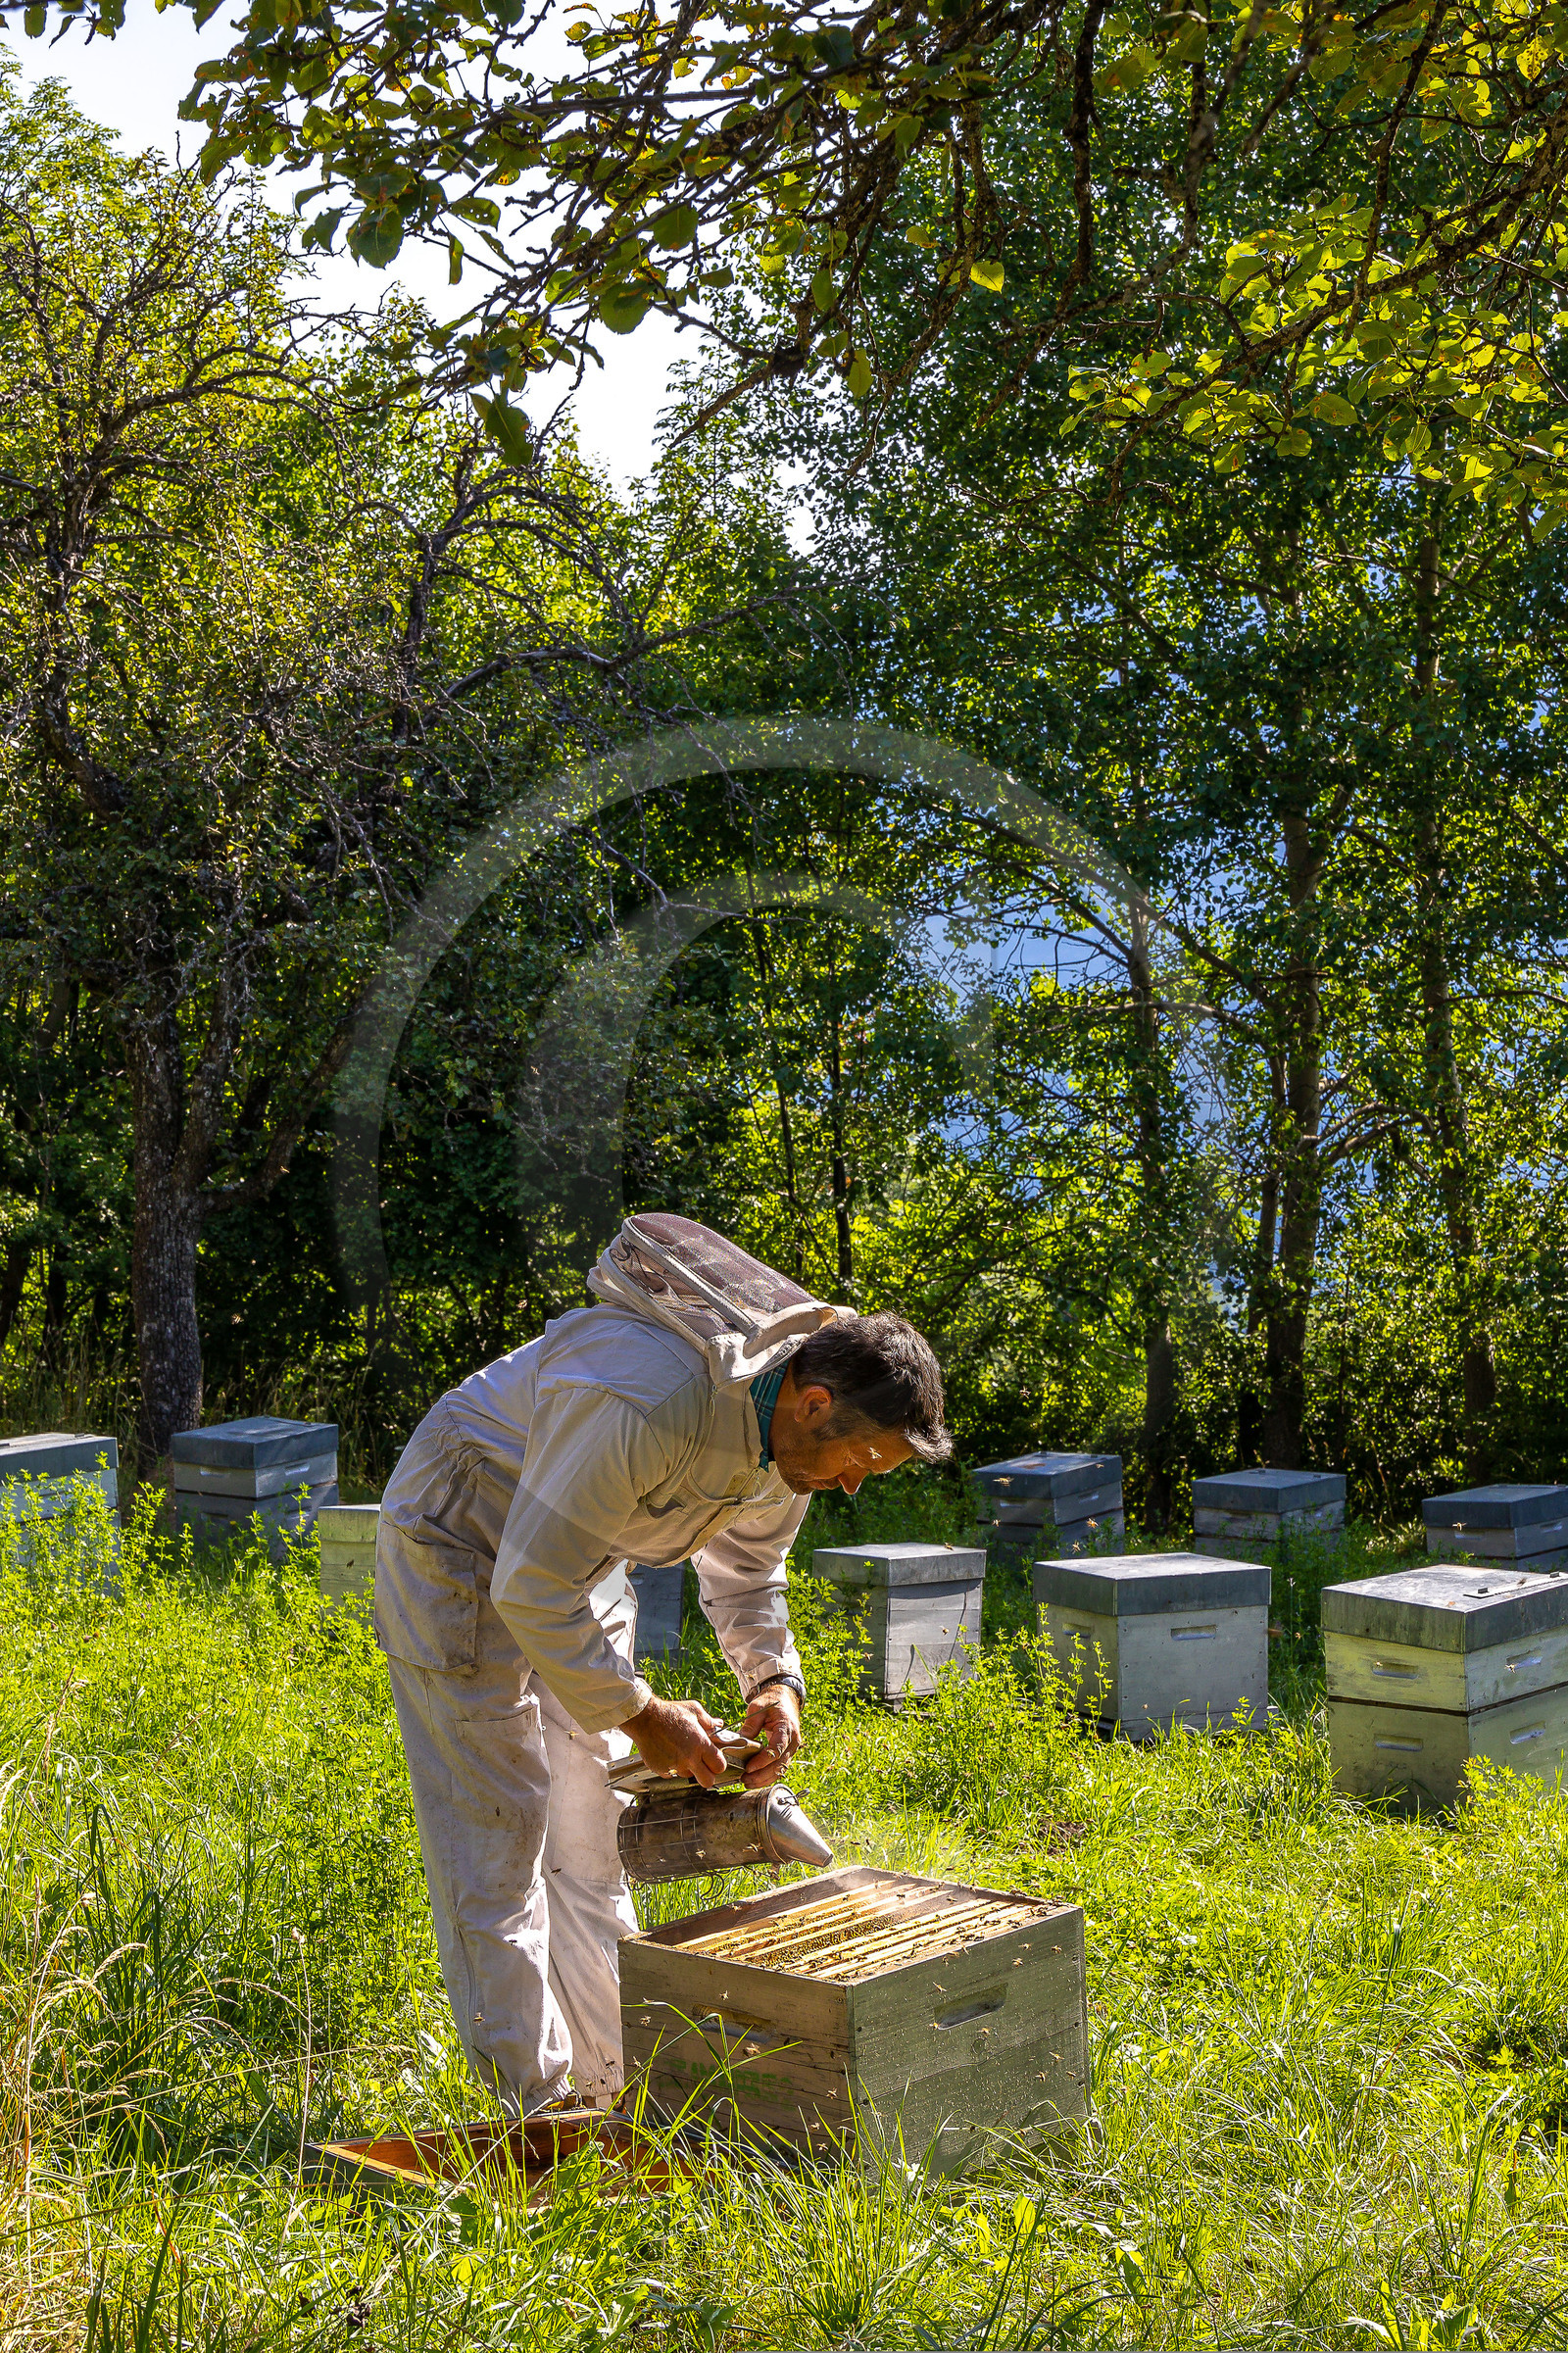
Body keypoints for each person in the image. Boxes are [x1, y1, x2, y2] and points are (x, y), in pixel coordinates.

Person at [373, 1212, 952, 2116]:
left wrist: (774, 1680)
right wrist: (643, 1713)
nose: (851, 1485)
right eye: (859, 1461)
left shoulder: (788, 1448)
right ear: (814, 1403)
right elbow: (529, 1584)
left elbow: (749, 1569)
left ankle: (621, 2090)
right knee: (499, 1839)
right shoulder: (651, 1397)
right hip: (464, 1537)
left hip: (578, 1553)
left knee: (588, 1837)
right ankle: (538, 2117)